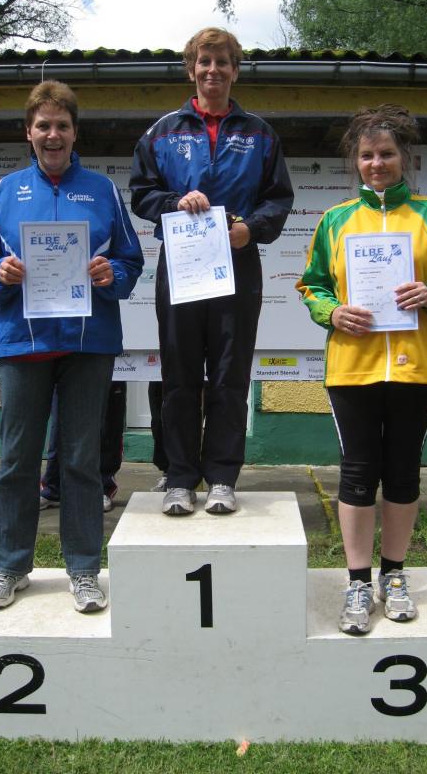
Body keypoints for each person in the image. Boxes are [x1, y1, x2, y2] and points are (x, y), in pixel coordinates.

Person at [296, 104, 427, 635]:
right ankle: (357, 581)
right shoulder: (335, 220)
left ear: (405, 159)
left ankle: (394, 574)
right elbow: (312, 284)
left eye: (387, 154)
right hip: (352, 366)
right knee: (357, 471)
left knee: (402, 470)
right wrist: (332, 312)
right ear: (356, 162)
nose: (377, 163)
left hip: (417, 364)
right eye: (367, 155)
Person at [0, 80, 144, 612]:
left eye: (62, 125)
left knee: (82, 461)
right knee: (16, 460)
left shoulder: (102, 191)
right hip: (24, 343)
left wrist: (112, 273)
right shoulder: (7, 190)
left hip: (88, 344)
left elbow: (130, 259)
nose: (53, 135)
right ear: (29, 132)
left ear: (74, 132)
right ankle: (10, 567)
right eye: (43, 125)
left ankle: (84, 570)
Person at [130, 27, 293, 516]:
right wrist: (175, 202)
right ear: (191, 69)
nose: (213, 70)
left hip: (238, 264)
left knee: (229, 374)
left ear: (235, 70)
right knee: (179, 375)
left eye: (223, 62)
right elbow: (141, 193)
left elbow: (278, 199)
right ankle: (179, 477)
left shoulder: (260, 134)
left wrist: (252, 229)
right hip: (181, 264)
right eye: (204, 61)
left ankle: (222, 477)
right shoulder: (163, 132)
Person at [40, 381, 127, 512]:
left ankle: (103, 487)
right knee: (60, 422)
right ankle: (53, 488)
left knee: (108, 421)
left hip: (111, 370)